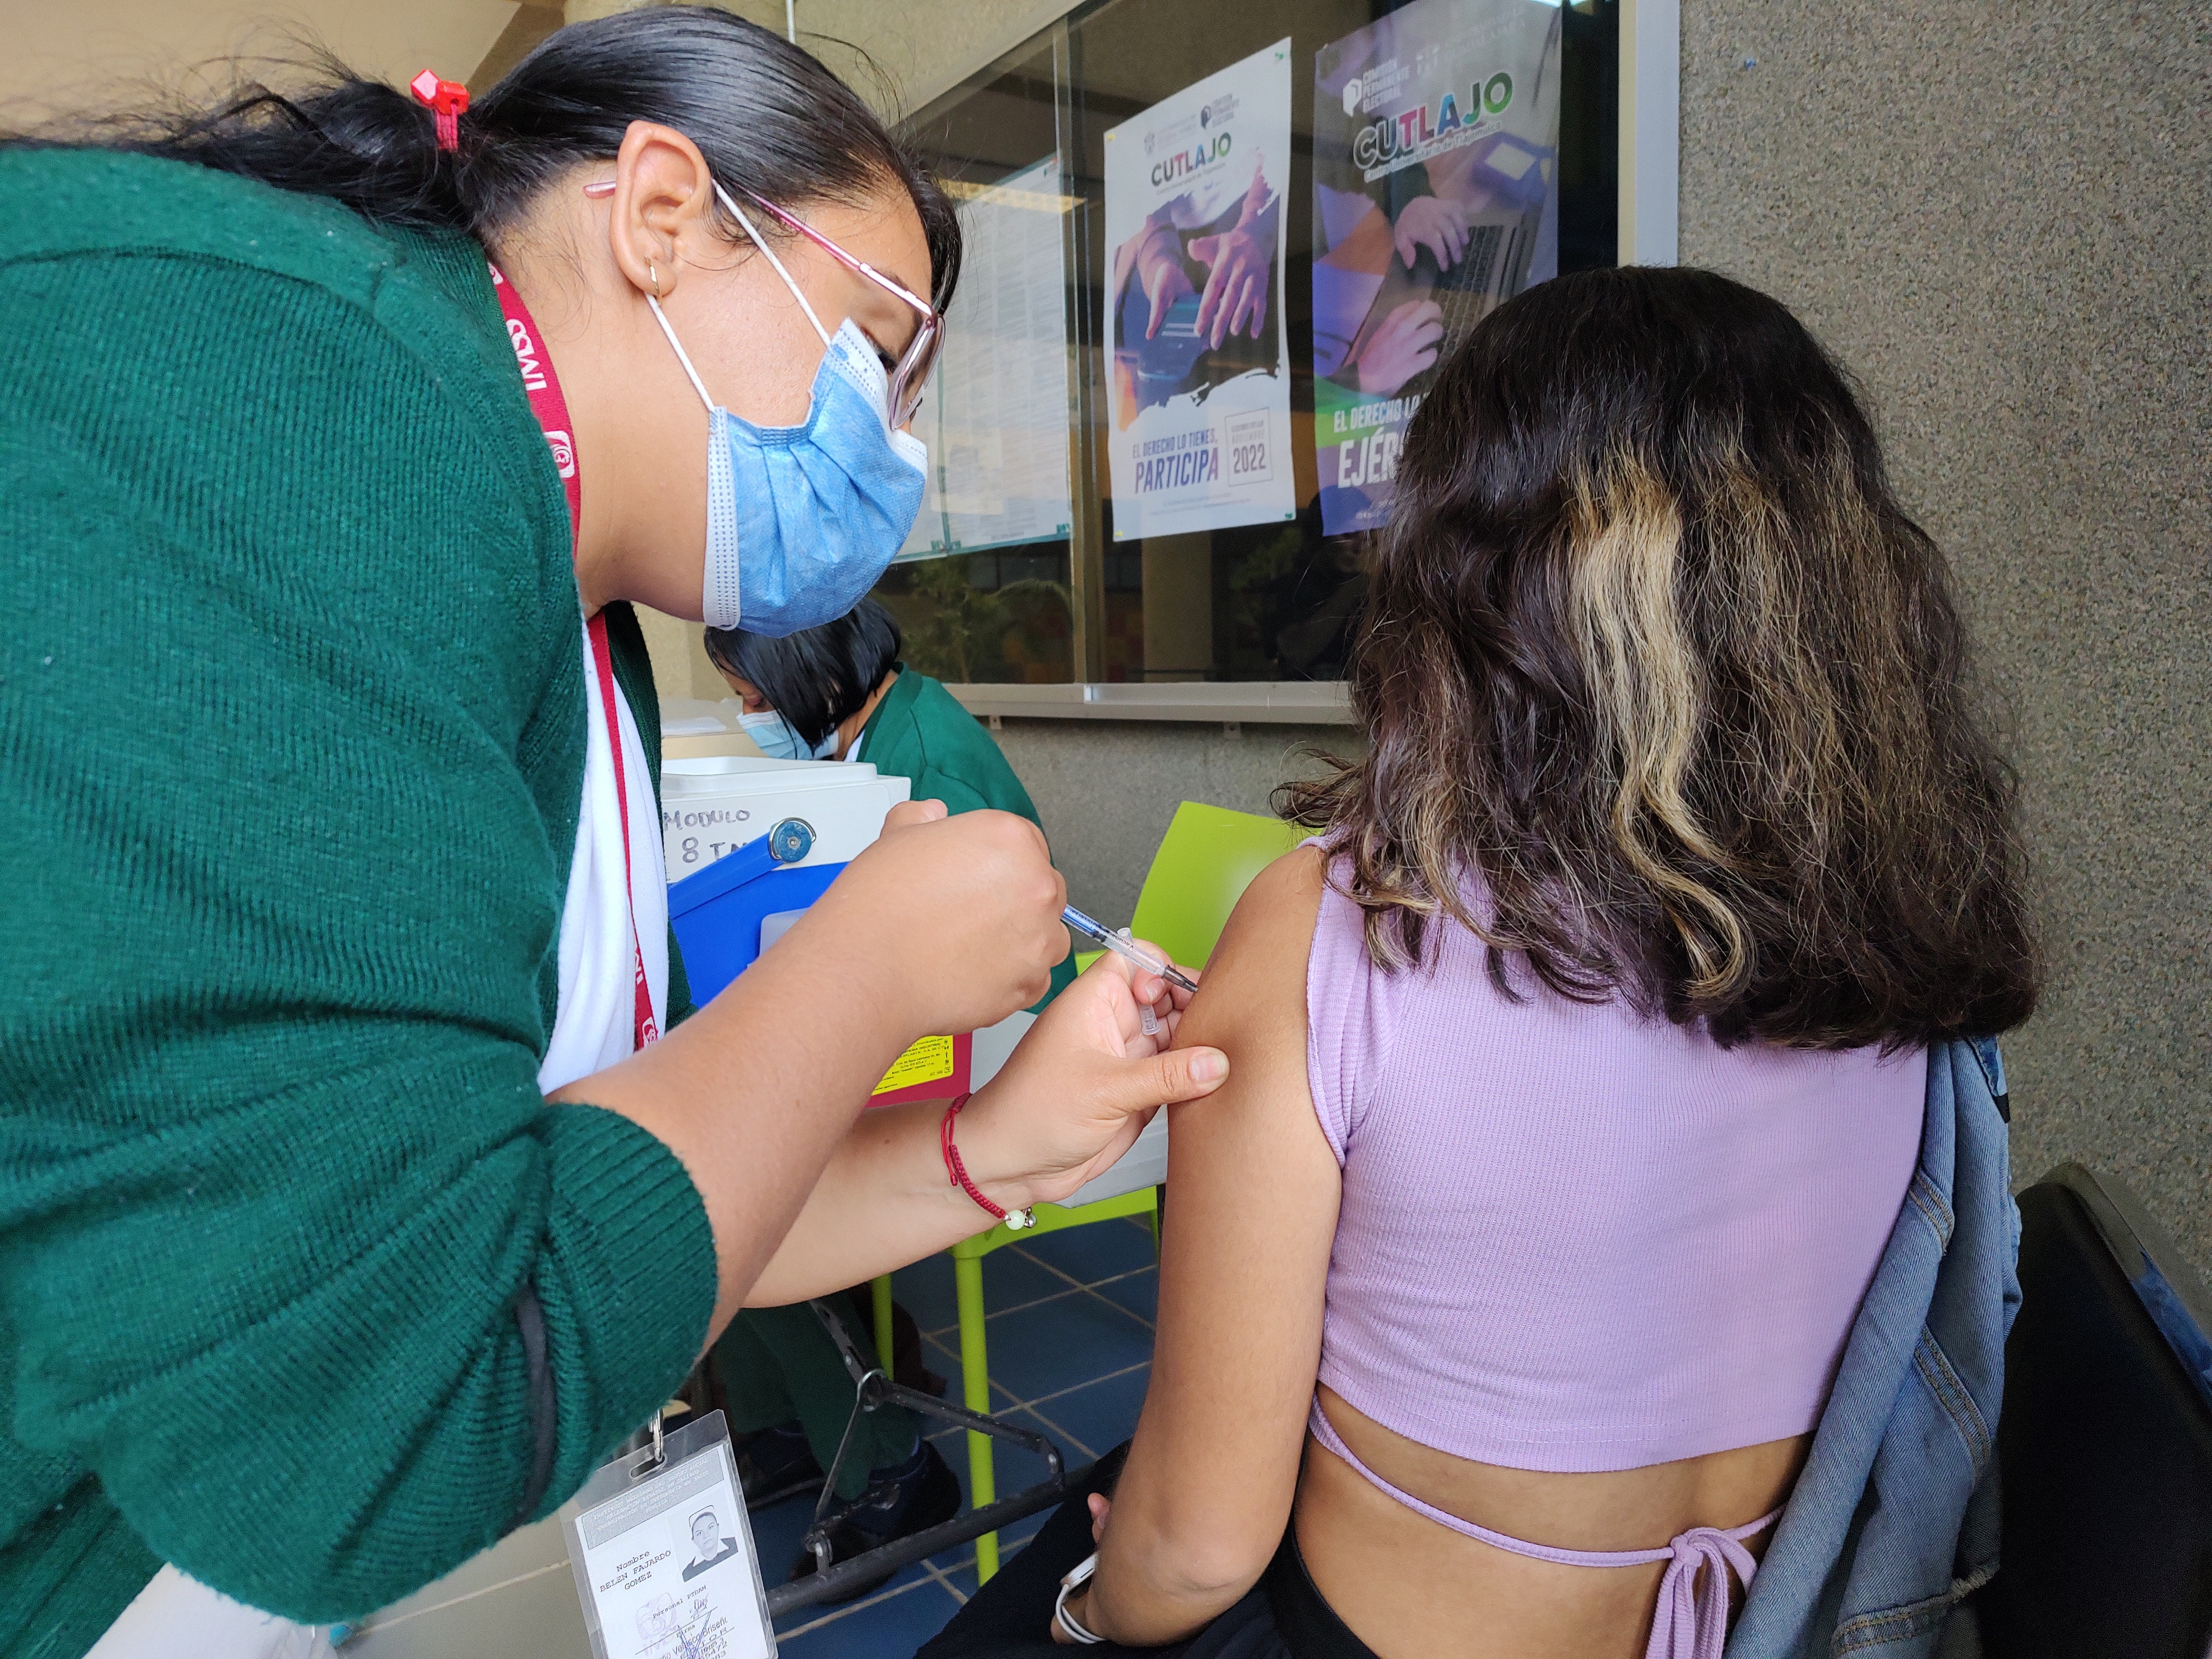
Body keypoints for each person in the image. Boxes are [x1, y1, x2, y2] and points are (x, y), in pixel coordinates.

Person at [0, 13, 1227, 1659]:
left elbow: (590, 1192)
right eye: (872, 353)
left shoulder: (577, 634)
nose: (897, 461)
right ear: (658, 212)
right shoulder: (309, 402)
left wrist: (989, 1146)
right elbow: (381, 1426)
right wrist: (863, 966)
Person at [917, 267, 2039, 1658]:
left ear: (1460, 568)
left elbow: (1197, 1547)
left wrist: (1086, 1614)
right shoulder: (1903, 932)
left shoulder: (1336, 922)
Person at [699, 597, 1075, 1590]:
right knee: (737, 1145)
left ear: (809, 677)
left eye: (749, 696)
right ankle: (790, 1425)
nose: (747, 713)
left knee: (749, 1201)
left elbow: (957, 969)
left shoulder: (921, 772)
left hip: (1009, 1039)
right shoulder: (878, 726)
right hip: (956, 1016)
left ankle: (890, 1468)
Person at [681, 1510, 739, 1582]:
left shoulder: (737, 1544)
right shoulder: (688, 1574)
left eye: (710, 1528)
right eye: (699, 1533)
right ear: (694, 1540)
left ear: (718, 1527)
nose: (706, 1535)